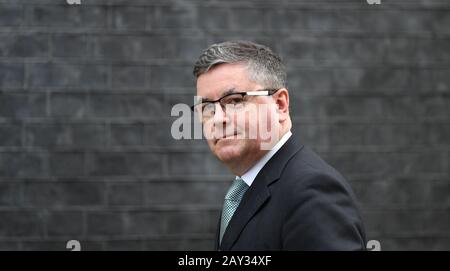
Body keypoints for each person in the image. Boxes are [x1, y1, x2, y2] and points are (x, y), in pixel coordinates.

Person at [191, 41, 366, 250]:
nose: (218, 119)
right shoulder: (242, 191)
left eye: (235, 100)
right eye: (207, 107)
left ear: (280, 105)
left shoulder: (312, 191)